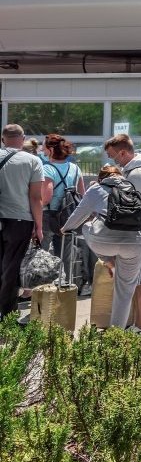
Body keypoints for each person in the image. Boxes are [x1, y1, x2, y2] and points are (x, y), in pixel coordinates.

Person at [61, 165, 141, 330]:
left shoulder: (96, 189)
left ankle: (108, 261)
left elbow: (79, 215)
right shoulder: (133, 190)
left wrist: (65, 228)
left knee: (86, 227)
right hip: (136, 243)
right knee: (124, 291)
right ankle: (117, 333)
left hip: (105, 243)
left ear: (101, 178)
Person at [102, 134, 141, 334]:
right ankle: (139, 323)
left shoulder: (138, 174)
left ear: (124, 152)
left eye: (113, 156)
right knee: (137, 279)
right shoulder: (137, 171)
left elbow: (135, 209)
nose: (113, 161)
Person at [0, 124, 44, 321]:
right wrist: (39, 226)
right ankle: (7, 315)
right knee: (11, 269)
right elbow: (36, 198)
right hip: (19, 221)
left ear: (3, 139)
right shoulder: (32, 161)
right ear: (23, 138)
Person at [40, 134, 84, 258]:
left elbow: (46, 198)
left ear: (51, 150)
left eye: (44, 147)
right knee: (65, 255)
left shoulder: (47, 169)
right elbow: (82, 194)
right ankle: (63, 277)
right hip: (69, 215)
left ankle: (44, 277)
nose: (42, 149)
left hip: (50, 215)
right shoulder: (75, 168)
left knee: (42, 252)